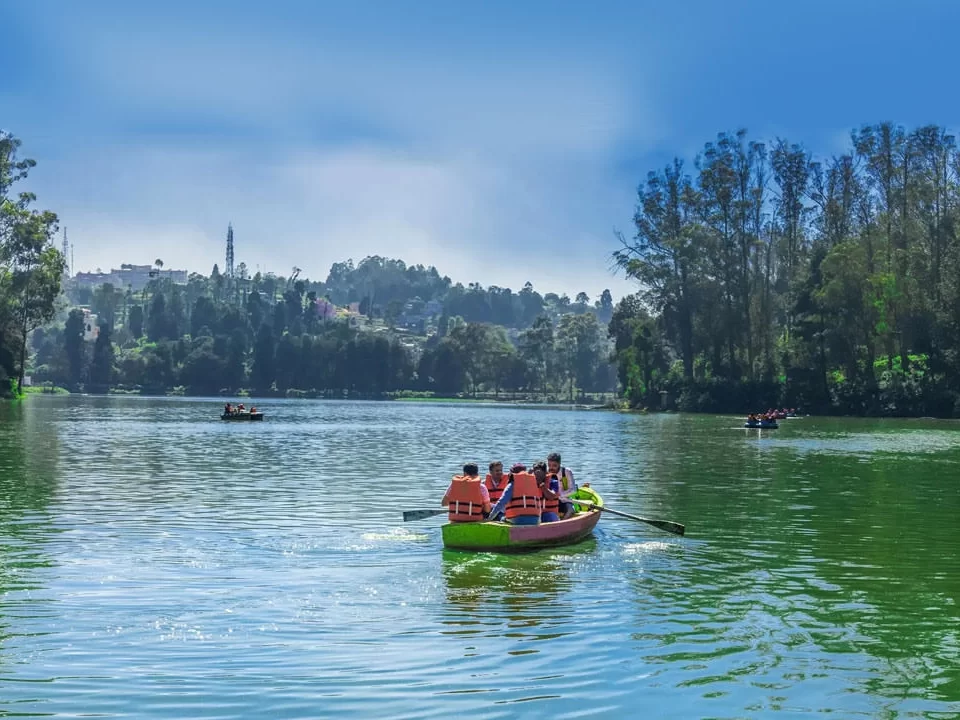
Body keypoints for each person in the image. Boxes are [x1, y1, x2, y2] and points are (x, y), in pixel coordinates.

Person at [546, 452, 577, 520]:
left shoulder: (566, 472)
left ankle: (562, 523)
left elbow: (573, 490)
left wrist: (560, 495)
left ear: (559, 464)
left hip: (564, 500)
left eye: (554, 465)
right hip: (551, 501)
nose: (551, 468)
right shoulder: (546, 472)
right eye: (549, 465)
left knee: (570, 510)